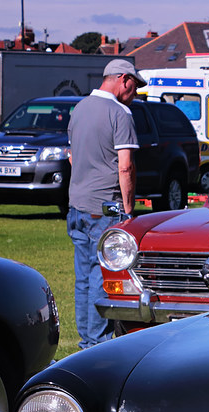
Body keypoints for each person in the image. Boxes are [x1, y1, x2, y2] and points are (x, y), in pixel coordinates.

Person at [67, 59, 144, 348]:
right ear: (124, 79)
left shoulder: (80, 108)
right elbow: (125, 167)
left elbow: (73, 157)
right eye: (134, 86)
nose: (135, 94)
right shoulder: (120, 113)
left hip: (77, 204)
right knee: (102, 276)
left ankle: (87, 339)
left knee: (83, 277)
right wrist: (128, 208)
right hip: (106, 207)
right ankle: (96, 344)